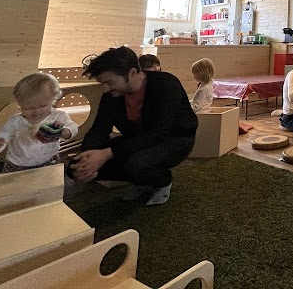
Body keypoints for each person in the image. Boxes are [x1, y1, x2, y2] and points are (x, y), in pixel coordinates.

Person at [68, 46, 197, 206]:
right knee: (73, 166)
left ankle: (163, 181)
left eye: (109, 82)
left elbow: (158, 133)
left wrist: (106, 154)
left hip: (175, 139)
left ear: (132, 73)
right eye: (102, 83)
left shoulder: (166, 84)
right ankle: (139, 179)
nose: (105, 88)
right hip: (138, 139)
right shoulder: (111, 95)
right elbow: (99, 129)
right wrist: (87, 159)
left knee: (137, 165)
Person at [0, 73, 78, 173]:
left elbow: (73, 128)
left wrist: (64, 132)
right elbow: (4, 135)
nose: (36, 112)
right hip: (18, 164)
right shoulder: (15, 121)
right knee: (14, 182)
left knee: (50, 180)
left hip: (49, 160)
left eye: (43, 106)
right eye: (28, 108)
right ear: (20, 104)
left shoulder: (58, 116)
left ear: (53, 99)